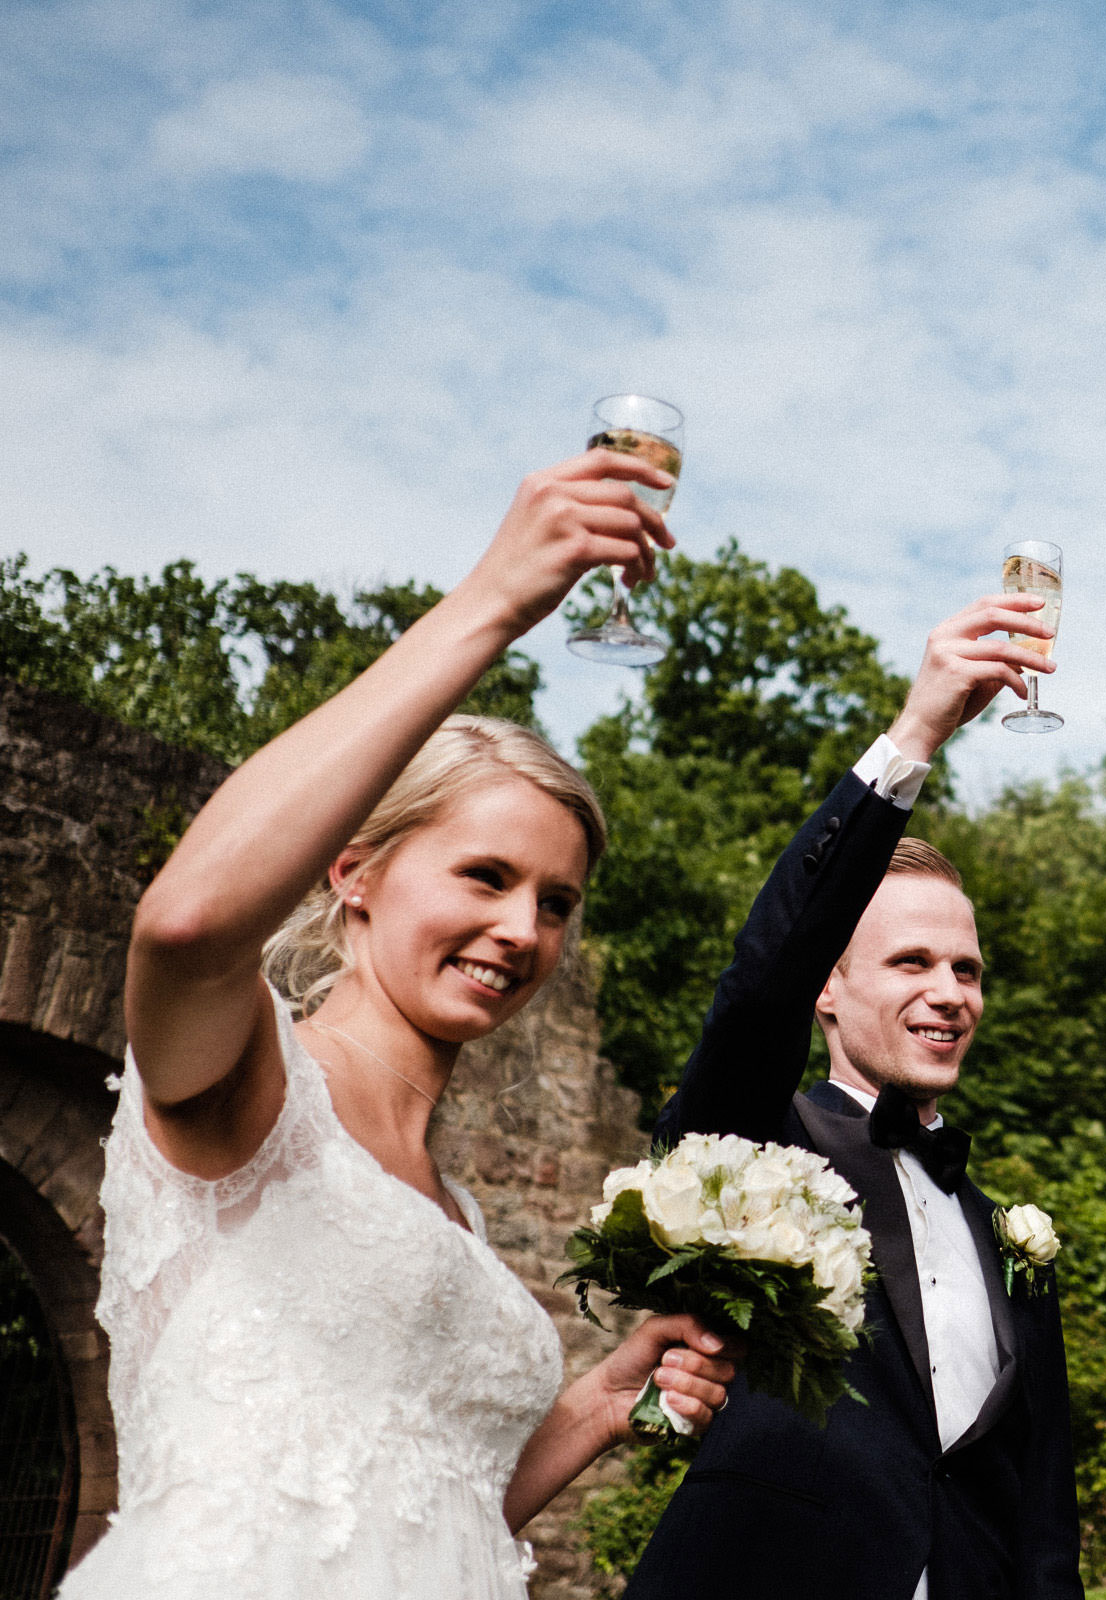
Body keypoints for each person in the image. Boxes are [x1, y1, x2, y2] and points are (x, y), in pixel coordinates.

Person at [73, 449, 740, 1599]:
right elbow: (181, 927)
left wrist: (596, 1404)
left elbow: (425, 1514)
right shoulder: (245, 1086)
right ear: (353, 874)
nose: (523, 928)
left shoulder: (458, 1203)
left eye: (557, 902)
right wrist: (493, 604)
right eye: (483, 874)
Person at [625, 592, 1080, 1600]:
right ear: (829, 987)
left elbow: (1046, 1515)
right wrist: (918, 731)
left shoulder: (1007, 1229)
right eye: (912, 960)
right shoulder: (753, 1153)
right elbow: (759, 988)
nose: (950, 992)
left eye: (967, 968)